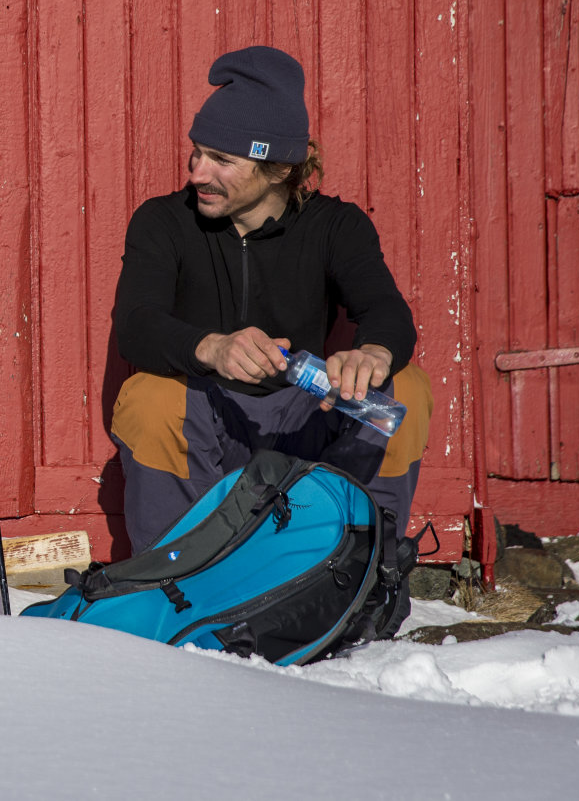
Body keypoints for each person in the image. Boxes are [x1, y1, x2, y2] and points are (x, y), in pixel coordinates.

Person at [110, 45, 432, 558]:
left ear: (279, 168)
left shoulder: (336, 226)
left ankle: (364, 568)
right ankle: (173, 581)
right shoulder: (164, 222)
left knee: (402, 390)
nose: (197, 173)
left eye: (222, 160)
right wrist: (211, 348)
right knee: (148, 399)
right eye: (197, 151)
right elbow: (136, 323)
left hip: (308, 420)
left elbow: (386, 310)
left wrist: (371, 354)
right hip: (208, 424)